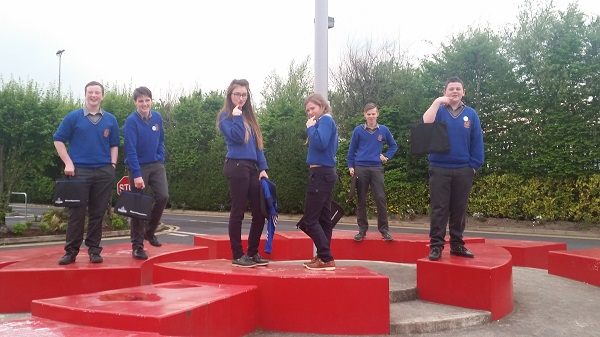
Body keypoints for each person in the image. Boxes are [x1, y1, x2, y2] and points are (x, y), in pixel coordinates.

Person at [53, 81, 120, 265]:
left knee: (98, 213)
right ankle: (71, 252)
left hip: (103, 172)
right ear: (85, 94)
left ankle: (94, 250)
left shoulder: (110, 119)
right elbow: (58, 140)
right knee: (77, 213)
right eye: (90, 92)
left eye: (97, 92)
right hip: (78, 172)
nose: (94, 95)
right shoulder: (73, 117)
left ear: (102, 96)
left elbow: (114, 144)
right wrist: (68, 162)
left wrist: (112, 165)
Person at [422, 76, 484, 261]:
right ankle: (436, 247)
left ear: (463, 92)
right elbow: (425, 123)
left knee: (459, 209)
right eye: (451, 89)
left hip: (463, 169)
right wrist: (436, 102)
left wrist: (473, 166)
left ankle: (457, 245)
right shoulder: (439, 111)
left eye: (458, 88)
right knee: (439, 209)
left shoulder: (471, 114)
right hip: (439, 168)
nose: (455, 91)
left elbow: (477, 141)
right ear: (445, 92)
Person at [216, 79, 269, 268]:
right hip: (236, 165)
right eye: (237, 94)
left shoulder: (250, 118)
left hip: (252, 167)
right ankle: (238, 255)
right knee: (238, 211)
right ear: (230, 96)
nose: (240, 98)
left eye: (244, 95)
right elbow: (238, 139)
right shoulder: (225, 117)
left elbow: (258, 146)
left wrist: (263, 169)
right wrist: (237, 116)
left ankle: (252, 252)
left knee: (260, 212)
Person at [122, 86, 169, 260]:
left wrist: (160, 157)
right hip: (138, 167)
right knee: (138, 206)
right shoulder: (131, 122)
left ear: (151, 101)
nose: (144, 104)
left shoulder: (157, 117)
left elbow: (161, 139)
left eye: (147, 100)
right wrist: (137, 174)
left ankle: (150, 232)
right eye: (140, 101)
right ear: (135, 102)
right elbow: (130, 150)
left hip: (156, 164)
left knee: (163, 196)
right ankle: (137, 246)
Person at [347, 103, 398, 242]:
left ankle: (384, 230)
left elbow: (394, 146)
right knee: (361, 200)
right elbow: (351, 151)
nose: (371, 116)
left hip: (376, 168)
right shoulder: (358, 130)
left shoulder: (384, 130)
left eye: (373, 114)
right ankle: (362, 230)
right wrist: (351, 166)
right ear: (364, 115)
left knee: (380, 199)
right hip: (361, 167)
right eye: (368, 114)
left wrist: (387, 157)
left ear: (377, 114)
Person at [302, 93, 339, 271]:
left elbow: (321, 143)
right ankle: (323, 258)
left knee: (310, 219)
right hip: (325, 173)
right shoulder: (324, 122)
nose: (310, 112)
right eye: (308, 110)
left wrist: (310, 128)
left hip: (320, 174)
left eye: (313, 108)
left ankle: (326, 257)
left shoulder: (325, 120)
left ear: (322, 106)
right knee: (325, 220)